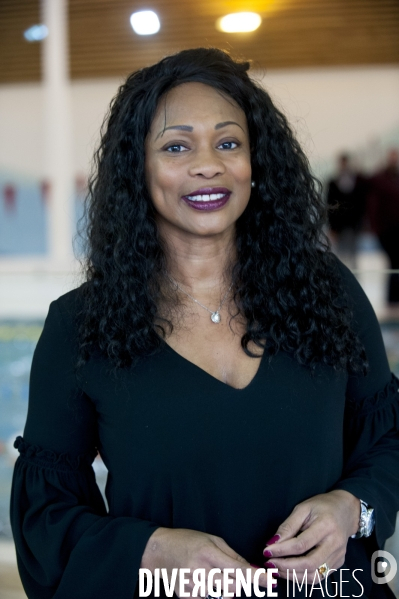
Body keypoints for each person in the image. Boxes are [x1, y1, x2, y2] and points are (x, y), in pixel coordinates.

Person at [10, 48, 399, 599]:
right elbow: (45, 519)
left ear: (255, 162)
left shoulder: (324, 290)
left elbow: (389, 437)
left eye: (228, 142)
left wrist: (353, 508)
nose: (208, 164)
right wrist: (151, 551)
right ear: (137, 171)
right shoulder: (81, 327)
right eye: (176, 146)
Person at [368, 149, 399, 305]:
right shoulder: (381, 180)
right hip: (387, 230)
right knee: (394, 263)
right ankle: (392, 298)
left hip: (391, 229)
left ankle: (393, 297)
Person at [326, 153, 368, 269]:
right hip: (339, 226)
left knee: (354, 256)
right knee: (342, 255)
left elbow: (361, 204)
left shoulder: (357, 181)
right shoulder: (333, 182)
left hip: (353, 225)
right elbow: (330, 205)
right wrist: (332, 227)